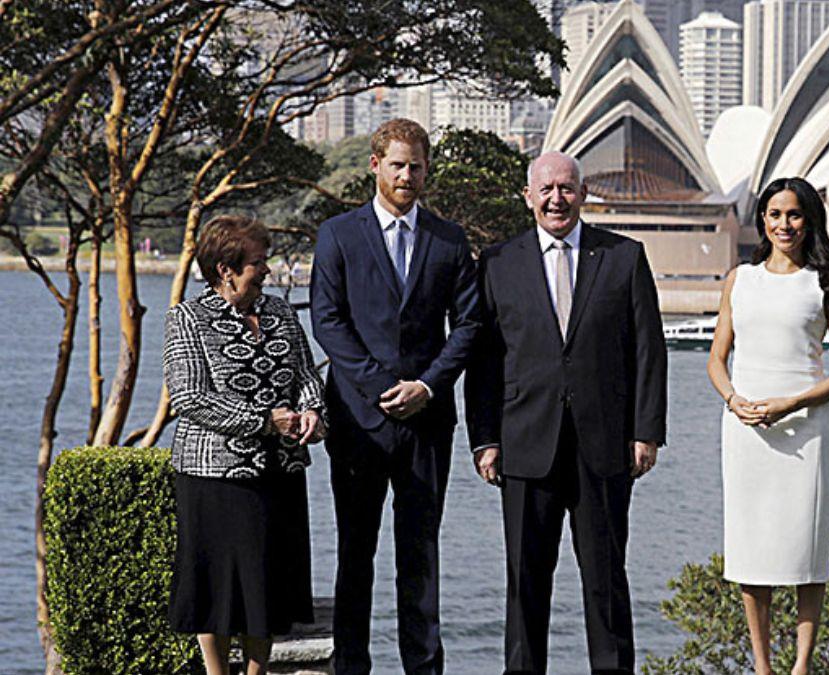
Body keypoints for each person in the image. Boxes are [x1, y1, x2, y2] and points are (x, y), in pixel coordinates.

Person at [465, 151, 668, 675]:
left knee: (606, 580)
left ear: (583, 194)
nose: (557, 199)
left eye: (567, 188)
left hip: (604, 446)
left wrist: (646, 432)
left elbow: (648, 349)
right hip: (524, 445)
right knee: (525, 580)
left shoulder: (623, 257)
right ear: (528, 197)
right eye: (547, 189)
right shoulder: (498, 262)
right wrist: (484, 439)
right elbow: (483, 360)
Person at [310, 118, 480, 675]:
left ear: (427, 171)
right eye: (398, 165)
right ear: (375, 165)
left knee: (420, 558)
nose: (407, 176)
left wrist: (427, 385)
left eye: (417, 167)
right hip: (358, 422)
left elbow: (469, 325)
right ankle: (350, 667)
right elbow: (328, 322)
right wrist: (383, 387)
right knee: (355, 555)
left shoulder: (449, 240)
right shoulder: (338, 234)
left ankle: (424, 669)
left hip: (427, 424)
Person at [706, 177, 829, 675]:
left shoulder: (828, 285)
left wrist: (791, 403)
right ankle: (763, 667)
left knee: (806, 550)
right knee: (751, 548)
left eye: (794, 214)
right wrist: (734, 400)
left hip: (806, 431)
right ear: (762, 220)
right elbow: (716, 360)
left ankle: (801, 666)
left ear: (810, 220)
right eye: (774, 214)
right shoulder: (739, 280)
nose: (784, 224)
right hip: (746, 431)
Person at [164, 215, 326, 675]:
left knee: (267, 587)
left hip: (281, 473)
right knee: (214, 589)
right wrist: (264, 421)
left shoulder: (281, 313)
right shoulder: (187, 319)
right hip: (214, 477)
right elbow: (189, 398)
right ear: (226, 269)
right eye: (258, 261)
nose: (267, 269)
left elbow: (306, 375)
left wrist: (313, 411)